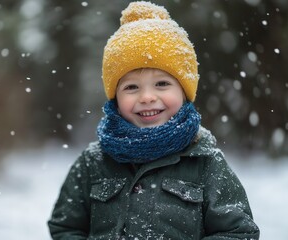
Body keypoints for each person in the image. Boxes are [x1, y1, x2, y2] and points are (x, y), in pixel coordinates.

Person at [48, 1, 260, 239]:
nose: (147, 97)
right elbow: (65, 227)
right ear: (115, 97)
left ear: (184, 92)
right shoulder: (93, 163)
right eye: (131, 87)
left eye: (162, 83)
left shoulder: (205, 162)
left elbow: (238, 232)